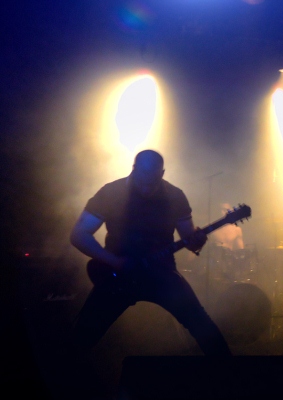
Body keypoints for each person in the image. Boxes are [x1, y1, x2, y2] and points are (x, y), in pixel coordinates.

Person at [70, 150, 231, 357]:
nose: (146, 188)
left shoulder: (175, 196)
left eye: (152, 182)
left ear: (162, 173)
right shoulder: (111, 192)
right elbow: (79, 235)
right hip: (117, 276)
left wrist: (198, 241)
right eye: (142, 180)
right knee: (82, 336)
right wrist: (115, 262)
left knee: (201, 324)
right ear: (133, 169)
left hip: (161, 273)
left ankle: (230, 372)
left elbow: (190, 241)